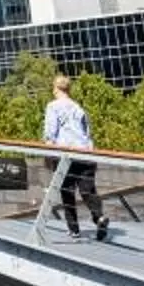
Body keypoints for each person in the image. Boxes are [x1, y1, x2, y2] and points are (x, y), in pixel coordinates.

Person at [41, 76, 111, 242]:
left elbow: (50, 133)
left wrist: (48, 154)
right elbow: (87, 133)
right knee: (88, 190)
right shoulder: (79, 108)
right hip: (85, 152)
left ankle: (74, 230)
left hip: (66, 154)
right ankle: (99, 217)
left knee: (67, 191)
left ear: (55, 89)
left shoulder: (53, 106)